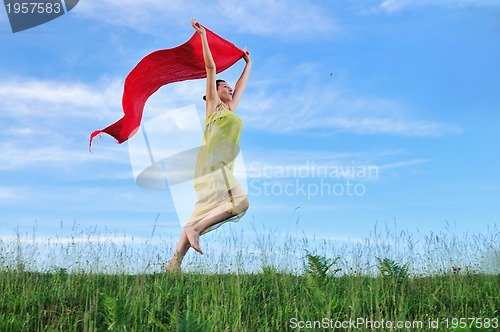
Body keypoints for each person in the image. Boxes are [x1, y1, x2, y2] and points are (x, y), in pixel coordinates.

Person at [165, 19, 252, 272]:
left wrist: (248, 63)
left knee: (199, 211)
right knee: (241, 203)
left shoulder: (230, 109)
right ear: (215, 92)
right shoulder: (213, 109)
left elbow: (241, 85)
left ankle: (174, 264)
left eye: (230, 87)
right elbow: (210, 68)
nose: (230, 89)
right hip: (213, 167)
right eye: (225, 87)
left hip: (218, 169)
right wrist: (203, 35)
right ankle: (196, 230)